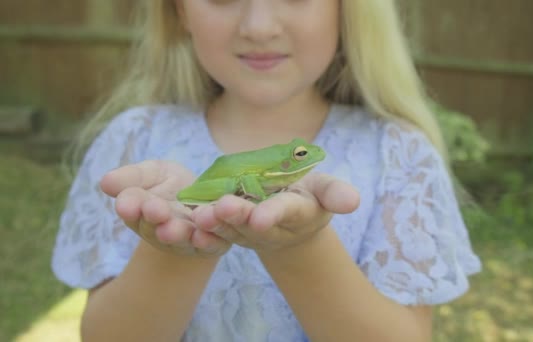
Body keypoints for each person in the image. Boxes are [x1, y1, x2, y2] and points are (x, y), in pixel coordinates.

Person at [52, 0, 481, 341]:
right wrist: (179, 248)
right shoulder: (135, 140)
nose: (259, 26)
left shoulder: (397, 153)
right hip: (217, 188)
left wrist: (299, 246)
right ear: (178, 9)